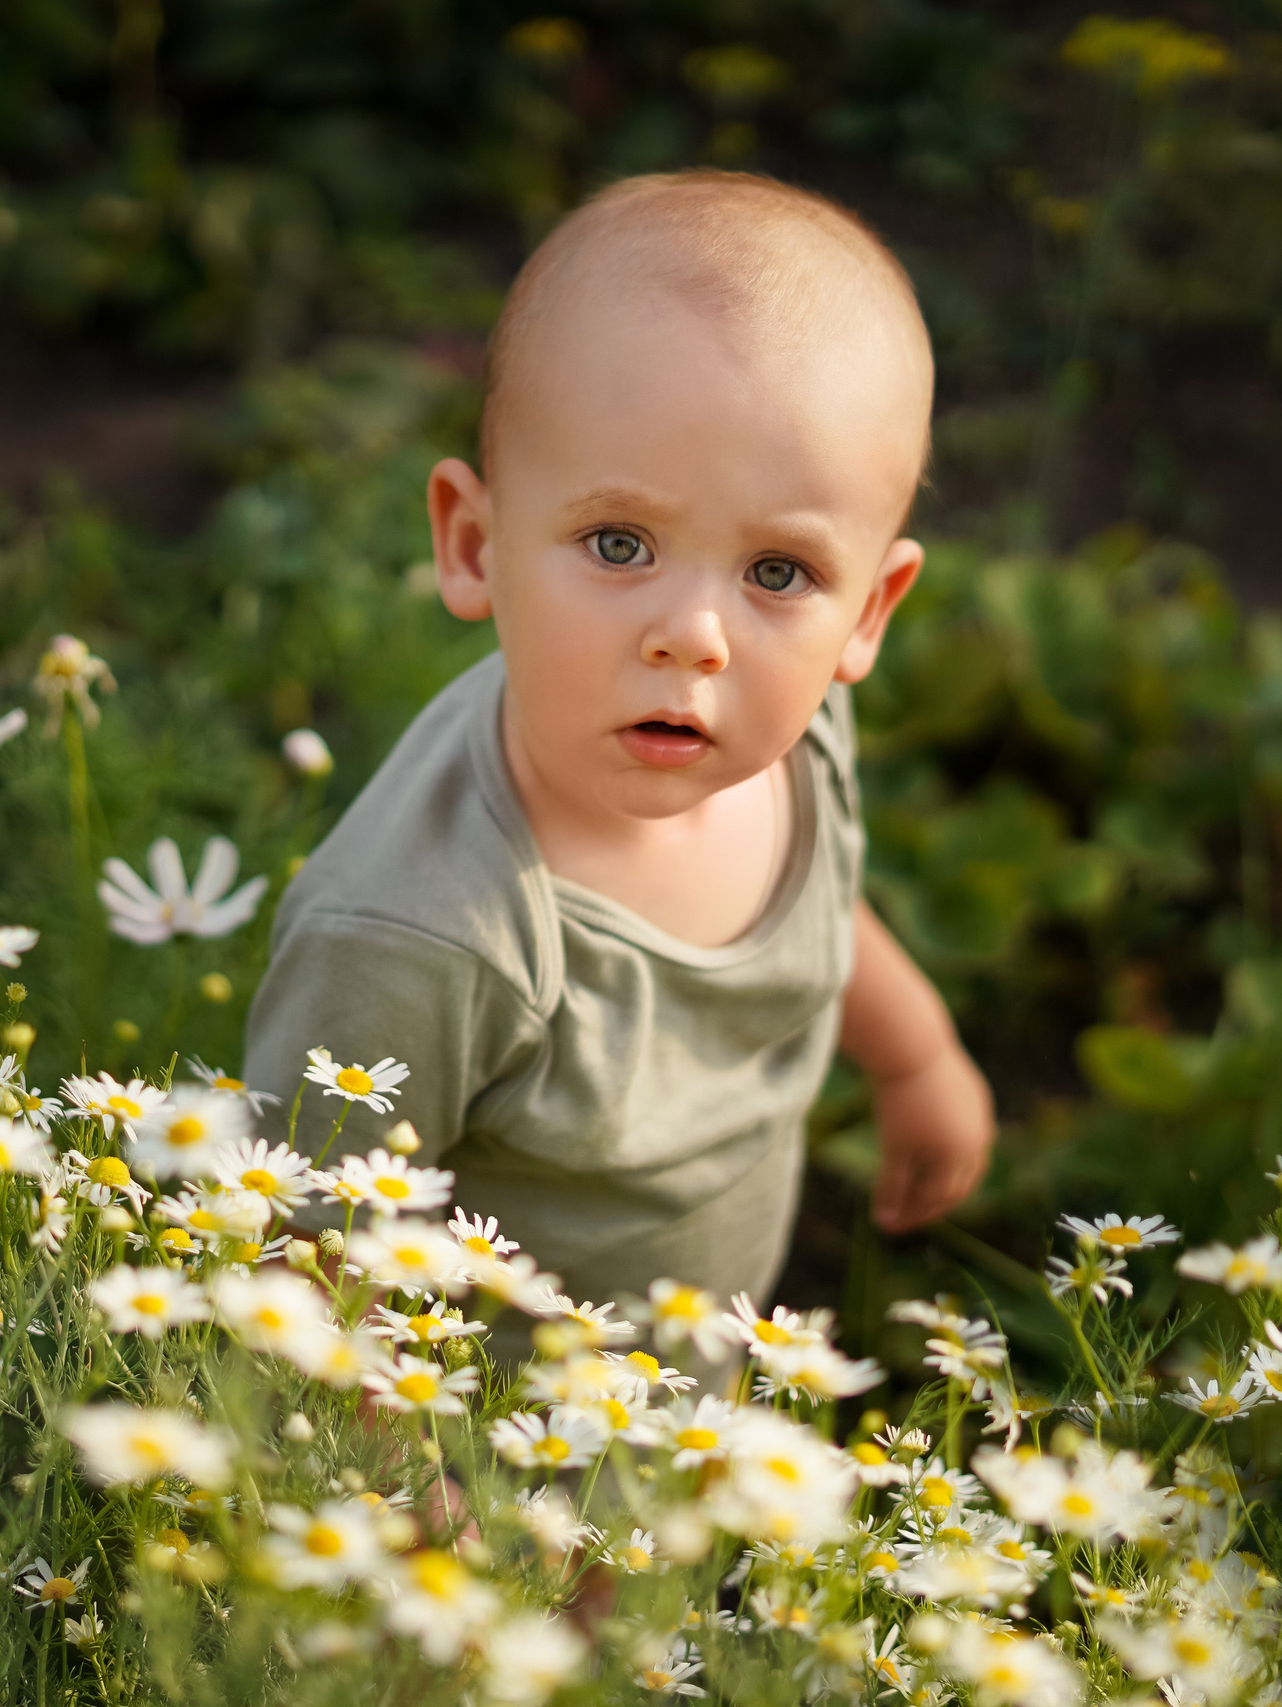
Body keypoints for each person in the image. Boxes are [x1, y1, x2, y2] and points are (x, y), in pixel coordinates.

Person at [243, 169, 995, 1320]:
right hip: (492, 1449)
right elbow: (305, 1259)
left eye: (778, 573)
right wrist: (419, 1490)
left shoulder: (784, 737)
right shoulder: (424, 937)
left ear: (865, 616)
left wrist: (914, 1056)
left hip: (684, 1374)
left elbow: (820, 904)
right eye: (618, 543)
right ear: (473, 543)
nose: (694, 637)